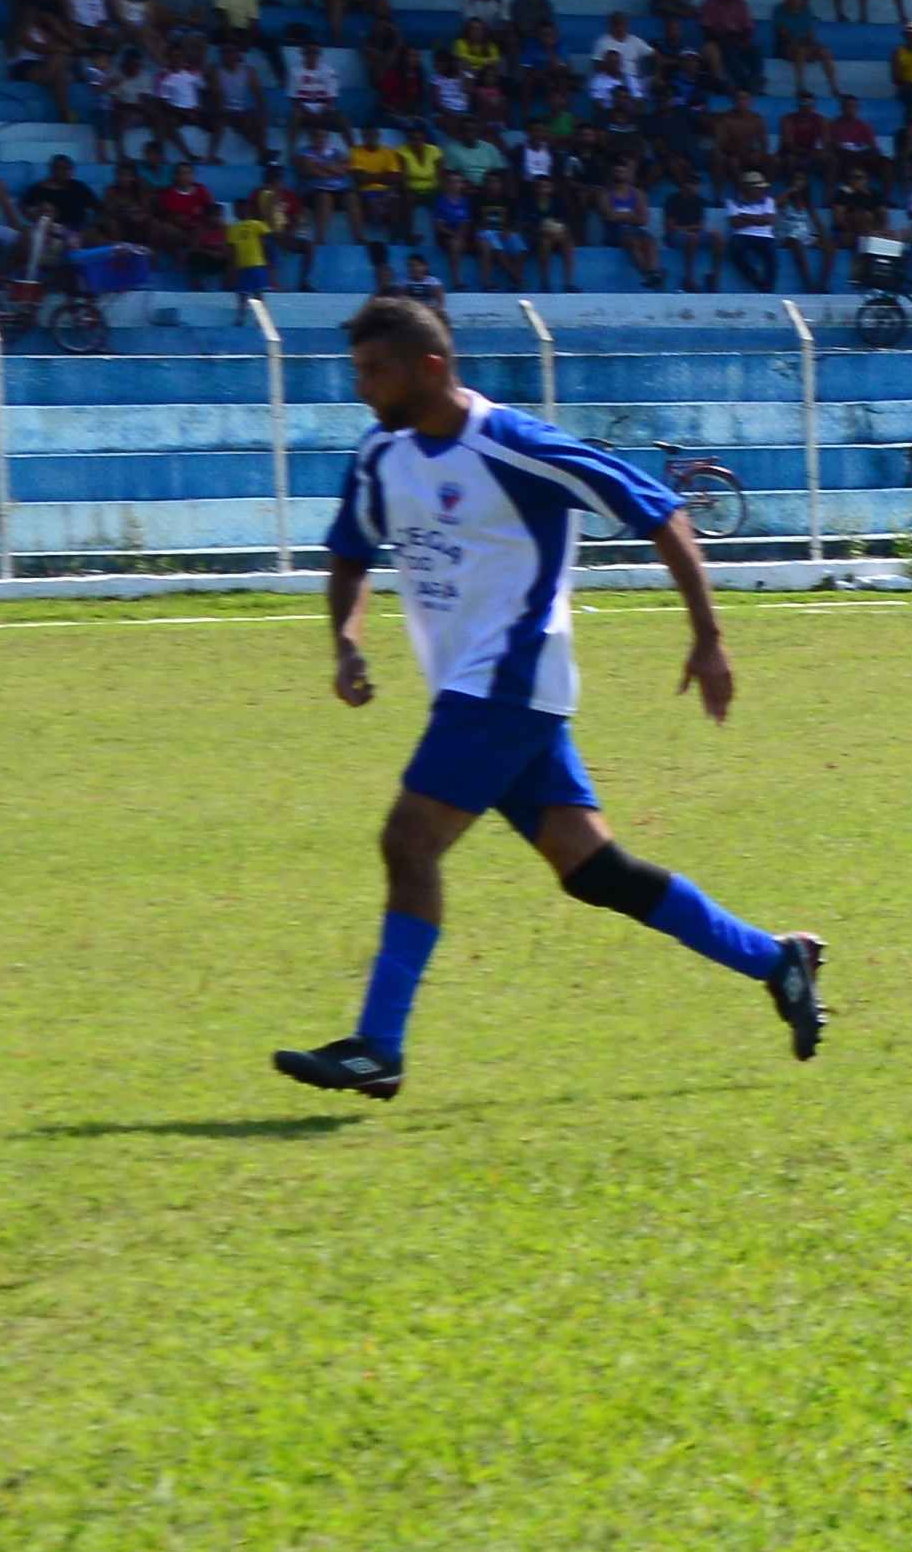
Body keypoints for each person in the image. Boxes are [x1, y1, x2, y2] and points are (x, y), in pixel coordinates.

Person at [275, 293, 826, 1101]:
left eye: (375, 371)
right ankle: (774, 961)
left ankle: (378, 1047)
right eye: (357, 371)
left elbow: (659, 509)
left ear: (430, 368)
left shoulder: (514, 444)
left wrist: (708, 635)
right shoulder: (380, 455)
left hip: (508, 682)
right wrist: (347, 642)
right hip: (476, 692)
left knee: (408, 843)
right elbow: (351, 555)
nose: (361, 388)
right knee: (594, 870)